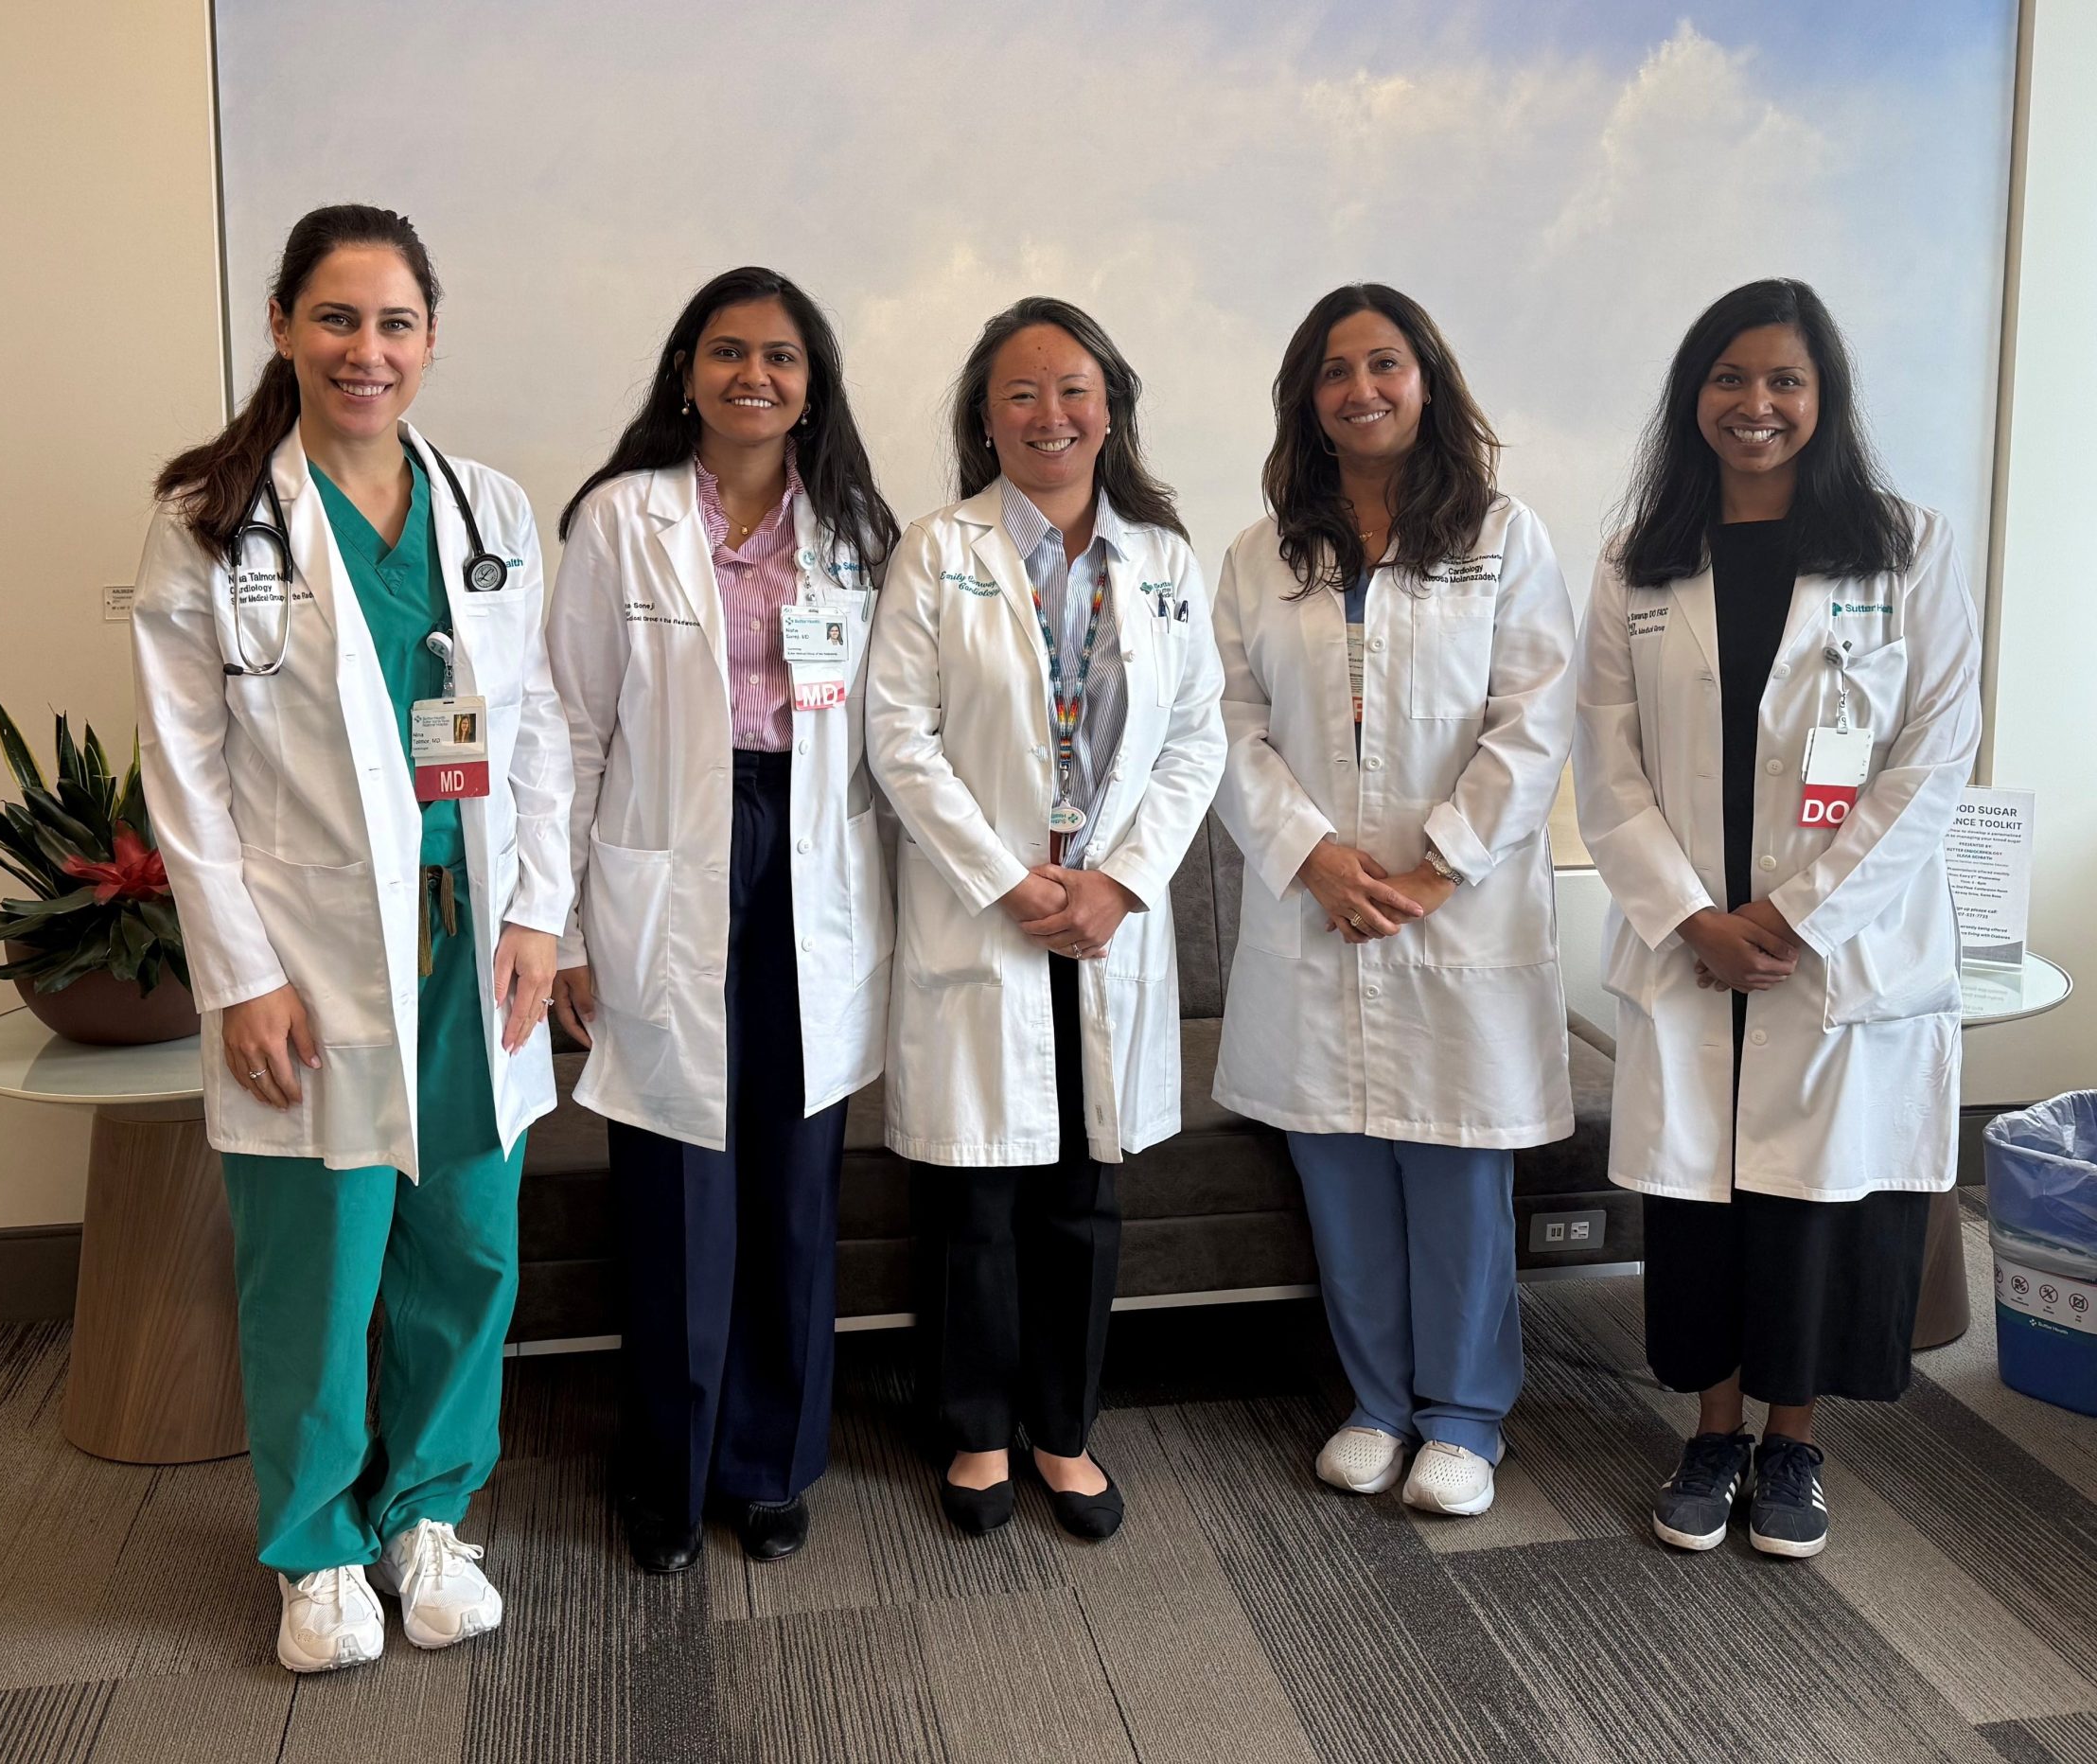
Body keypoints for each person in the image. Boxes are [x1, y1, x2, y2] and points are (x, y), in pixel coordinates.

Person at [132, 205, 571, 1671]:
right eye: (335, 318)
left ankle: (427, 1514)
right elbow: (183, 769)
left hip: (471, 944)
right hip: (308, 956)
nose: (365, 351)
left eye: (394, 323)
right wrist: (240, 977)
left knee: (467, 1243)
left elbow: (535, 727)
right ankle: (316, 1548)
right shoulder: (212, 517)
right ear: (281, 326)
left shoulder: (490, 510)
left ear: (430, 339)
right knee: (317, 1261)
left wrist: (540, 912)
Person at [1574, 278, 1982, 1559]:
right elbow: (1605, 763)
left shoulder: (1907, 547)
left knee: (1813, 1204)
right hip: (1694, 948)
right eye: (1730, 378)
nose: (1756, 405)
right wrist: (1693, 917)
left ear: (1824, 398)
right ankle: (1712, 1432)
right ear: (1693, 397)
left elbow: (1934, 752)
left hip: (1834, 951)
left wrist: (1802, 915)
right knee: (1701, 1206)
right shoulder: (1640, 560)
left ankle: (1792, 1439)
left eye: (1785, 381)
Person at [548, 268, 899, 1574]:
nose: (755, 375)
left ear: (814, 384)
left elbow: (892, 732)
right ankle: (668, 1468)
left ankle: (770, 1465)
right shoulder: (621, 518)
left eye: (782, 356)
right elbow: (570, 729)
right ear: (687, 372)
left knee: (795, 1186)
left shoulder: (856, 531)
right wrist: (565, 928)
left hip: (811, 857)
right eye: (729, 351)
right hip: (667, 859)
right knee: (676, 1185)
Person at [1210, 285, 1576, 1518]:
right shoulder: (1262, 555)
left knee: (1456, 1165)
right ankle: (1376, 1404)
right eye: (1333, 370)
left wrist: (1438, 869)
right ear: (1304, 399)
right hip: (1315, 906)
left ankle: (1464, 1417)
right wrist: (1311, 854)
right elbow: (1227, 726)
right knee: (1341, 1168)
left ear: (1427, 379)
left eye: (1383, 364)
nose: (1359, 389)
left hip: (1456, 909)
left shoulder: (1504, 538)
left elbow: (1534, 723)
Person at [865, 298, 1225, 1542]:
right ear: (985, 418)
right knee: (974, 1198)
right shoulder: (937, 550)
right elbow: (899, 738)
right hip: (990, 920)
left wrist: (1119, 882)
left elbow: (1195, 739)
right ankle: (977, 1430)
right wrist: (1006, 881)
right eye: (1019, 393)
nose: (1049, 415)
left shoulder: (1162, 560)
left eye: (1072, 389)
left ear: (1109, 409)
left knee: (1084, 1193)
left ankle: (1064, 1433)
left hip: (1104, 923)